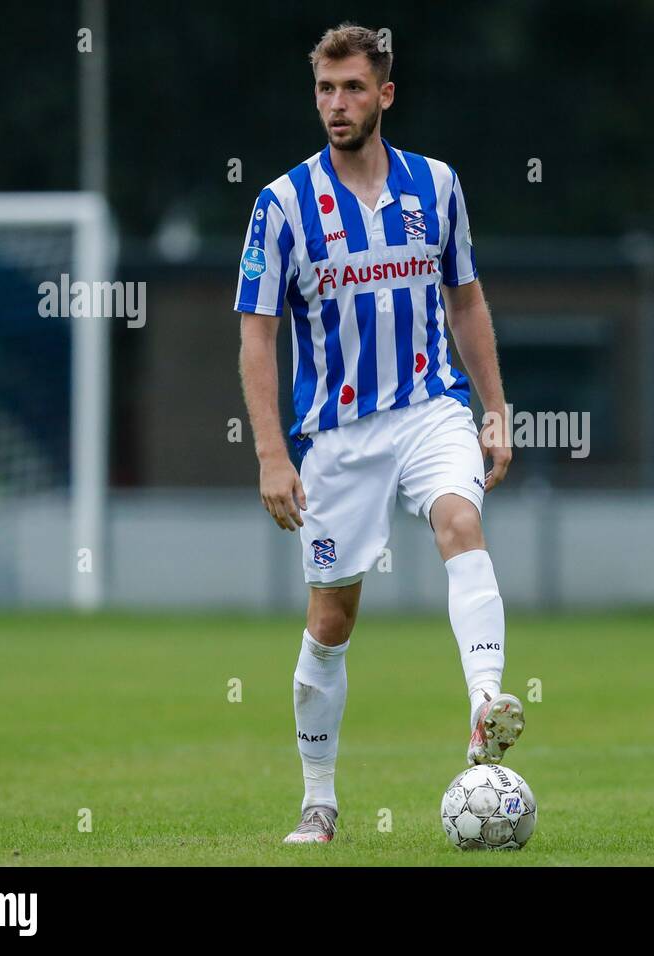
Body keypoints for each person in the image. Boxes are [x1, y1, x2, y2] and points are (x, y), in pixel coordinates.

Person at [235, 22, 523, 845]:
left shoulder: (436, 185)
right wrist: (270, 452)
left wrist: (492, 408)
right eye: (326, 89)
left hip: (431, 406)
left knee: (460, 524)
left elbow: (465, 299)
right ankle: (318, 800)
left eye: (353, 87)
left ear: (384, 94)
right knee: (332, 619)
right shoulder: (282, 205)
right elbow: (257, 331)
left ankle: (483, 708)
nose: (337, 104)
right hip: (336, 438)